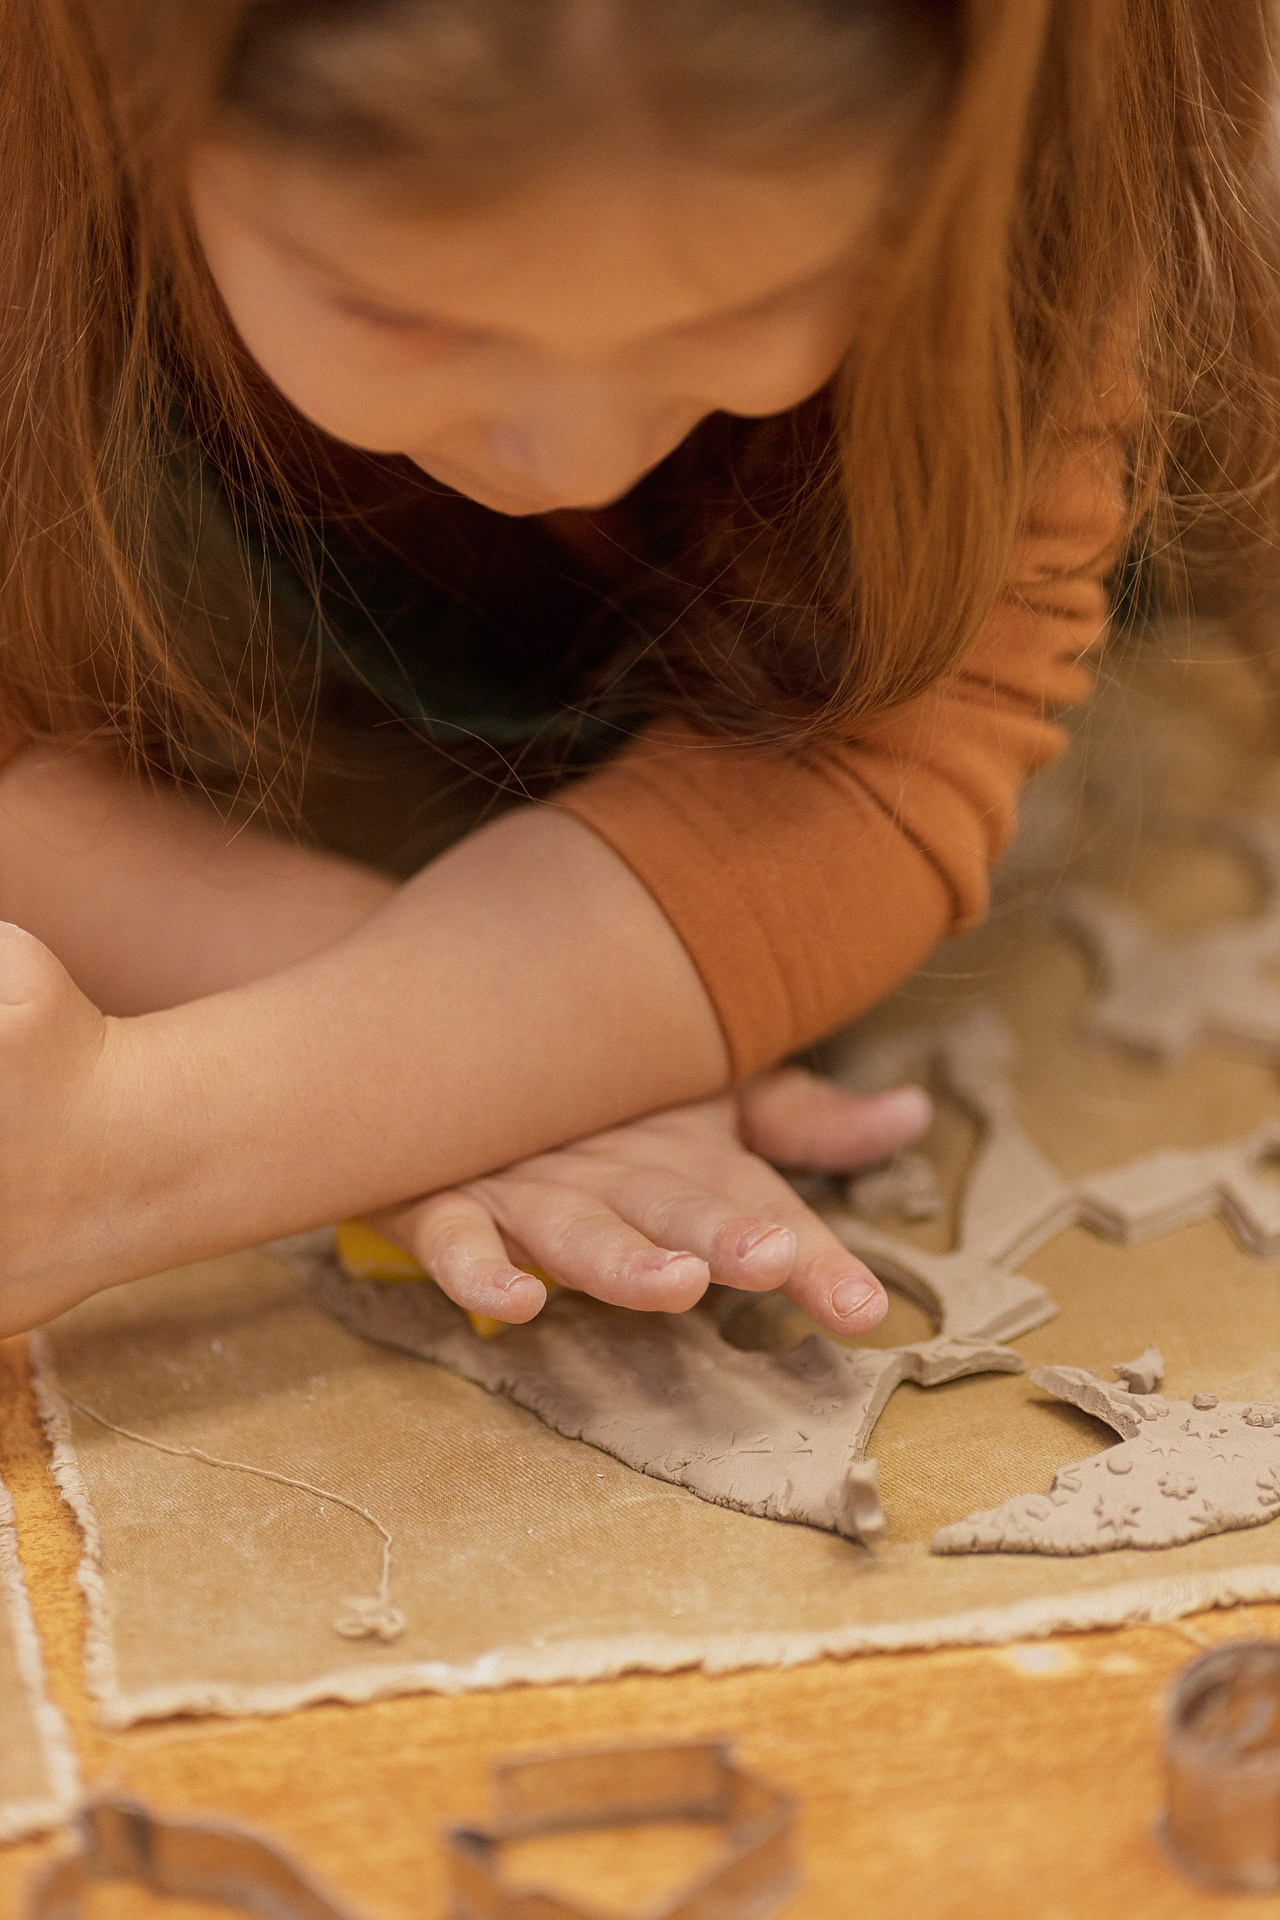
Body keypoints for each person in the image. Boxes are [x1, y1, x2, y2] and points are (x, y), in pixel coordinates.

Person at [0, 0, 1275, 1338]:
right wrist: (476, 1061)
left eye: (753, 304)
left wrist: (141, 1153)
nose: (577, 458)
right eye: (399, 313)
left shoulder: (1057, 121)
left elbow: (881, 765)